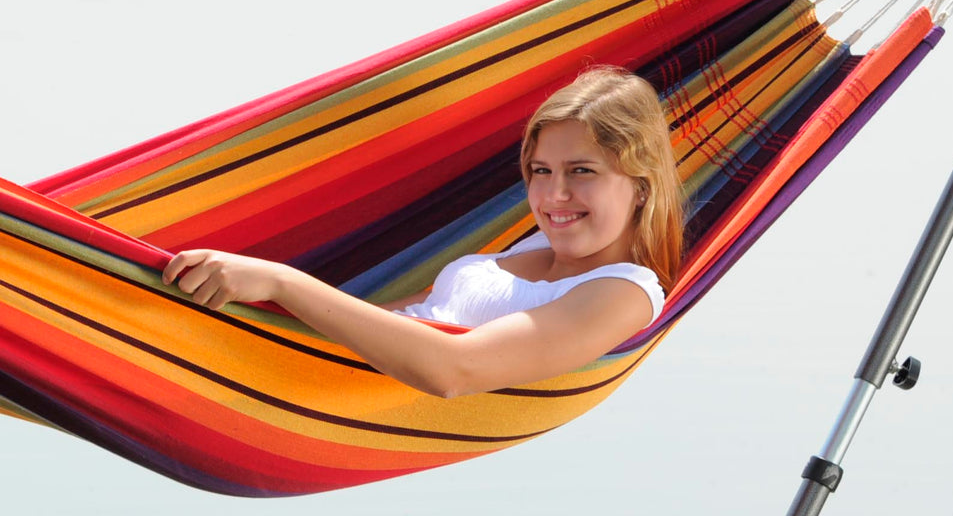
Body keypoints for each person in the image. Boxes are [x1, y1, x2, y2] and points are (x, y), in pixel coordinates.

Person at [162, 67, 684, 399]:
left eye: (582, 172)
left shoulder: (622, 293)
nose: (553, 197)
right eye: (541, 171)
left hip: (349, 396)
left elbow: (454, 370)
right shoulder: (538, 244)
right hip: (305, 369)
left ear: (641, 185)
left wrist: (281, 283)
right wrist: (252, 331)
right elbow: (400, 317)